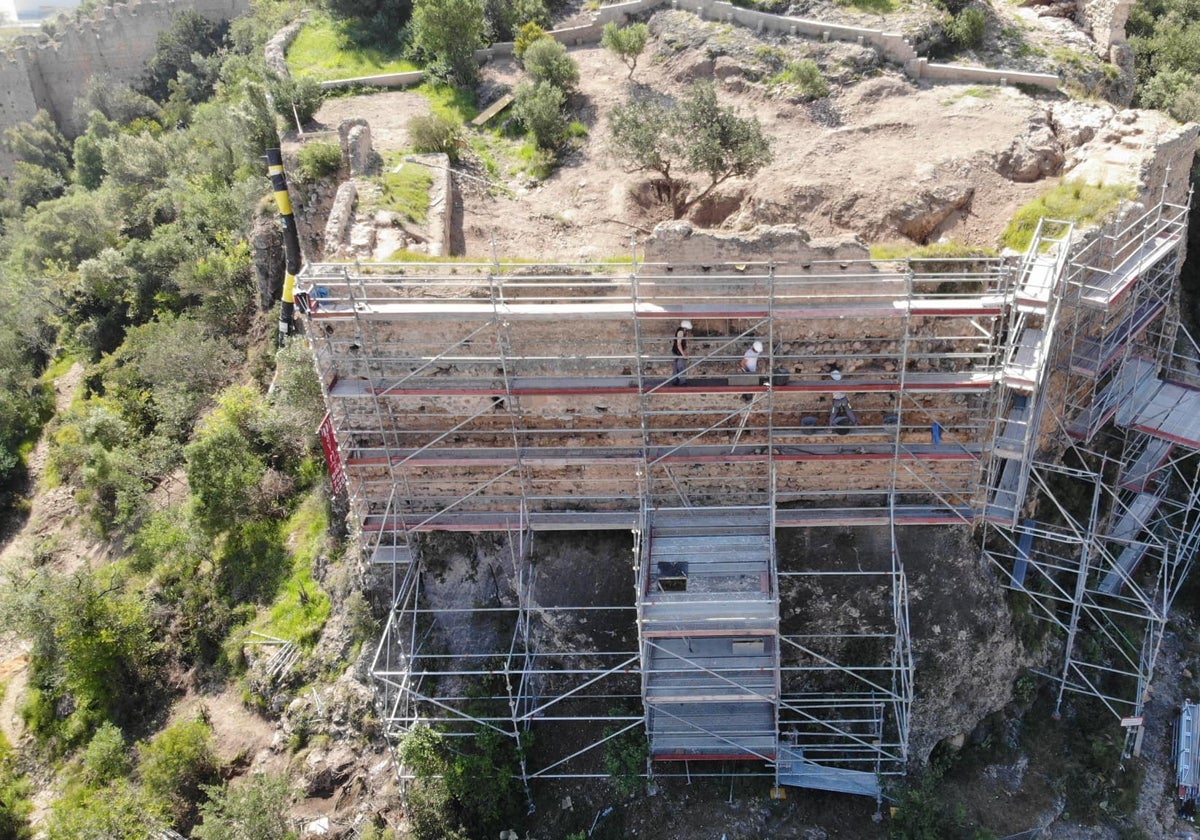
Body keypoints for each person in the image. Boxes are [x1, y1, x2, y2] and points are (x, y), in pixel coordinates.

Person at [671, 320, 692, 385]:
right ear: (686, 327)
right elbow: (679, 344)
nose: (688, 330)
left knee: (676, 367)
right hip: (678, 352)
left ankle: (675, 381)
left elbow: (683, 344)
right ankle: (682, 382)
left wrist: (685, 351)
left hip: (676, 351)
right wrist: (683, 354)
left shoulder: (683, 331)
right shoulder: (681, 332)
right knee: (681, 367)